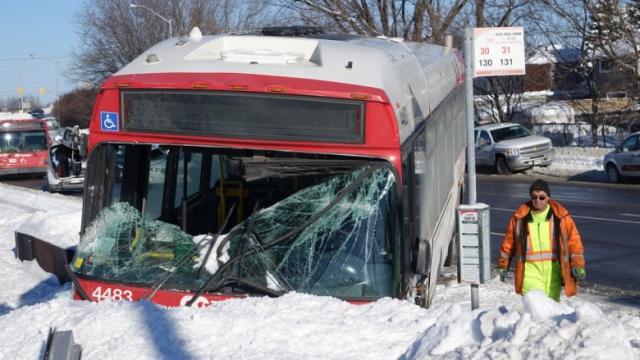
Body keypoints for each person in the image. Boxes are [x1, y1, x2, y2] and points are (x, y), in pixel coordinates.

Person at [497, 179, 586, 301]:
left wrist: (577, 264)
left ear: (548, 197)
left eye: (541, 197)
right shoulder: (520, 219)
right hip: (529, 273)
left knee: (550, 311)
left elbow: (574, 243)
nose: (537, 200)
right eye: (534, 197)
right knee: (535, 307)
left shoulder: (561, 218)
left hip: (553, 274)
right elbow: (508, 243)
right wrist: (503, 264)